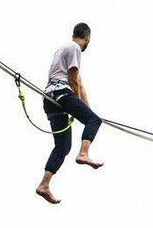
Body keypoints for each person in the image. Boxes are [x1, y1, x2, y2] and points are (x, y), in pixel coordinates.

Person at [34, 22, 105, 204]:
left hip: (50, 99)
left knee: (63, 146)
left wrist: (87, 111)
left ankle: (44, 184)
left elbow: (79, 83)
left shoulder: (62, 50)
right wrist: (87, 114)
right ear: (87, 37)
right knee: (94, 122)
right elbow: (73, 80)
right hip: (61, 93)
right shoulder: (75, 48)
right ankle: (83, 153)